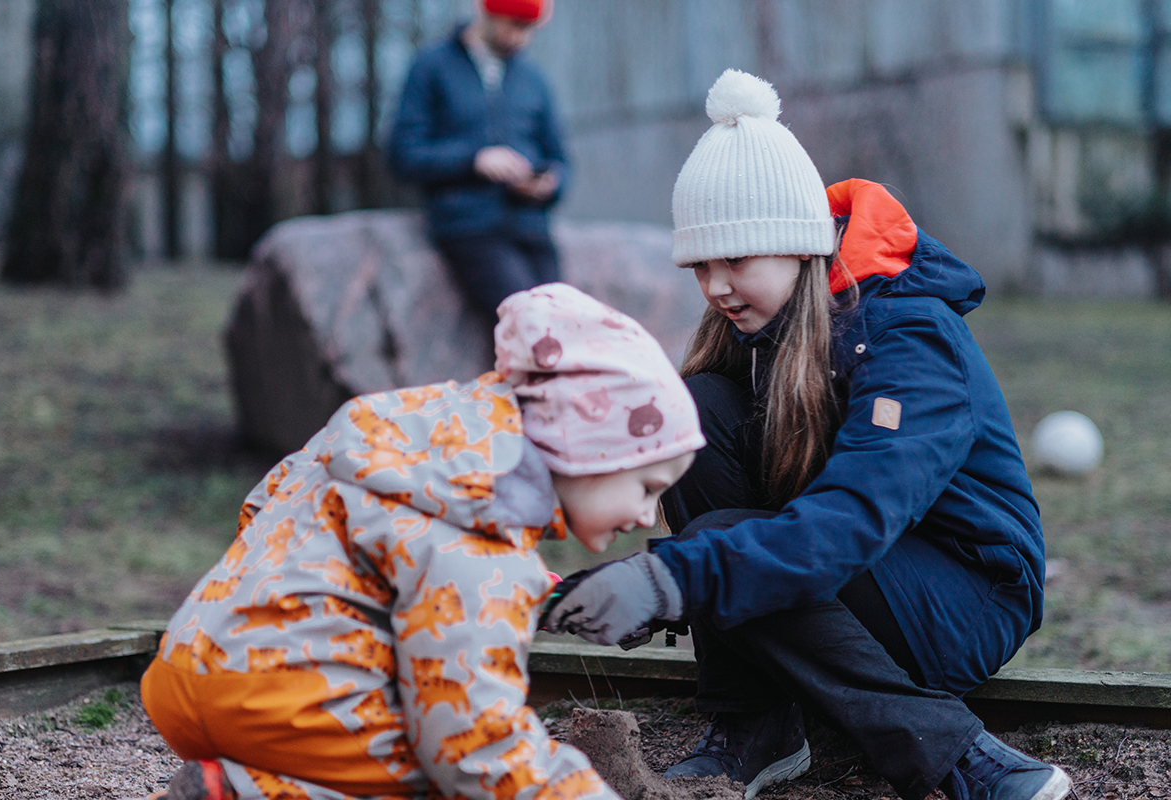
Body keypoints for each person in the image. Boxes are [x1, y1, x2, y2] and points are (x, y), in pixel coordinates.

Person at [542, 70, 1073, 800]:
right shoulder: (760, 327)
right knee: (696, 412)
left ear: (795, 245)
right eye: (700, 266)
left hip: (966, 594)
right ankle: (757, 723)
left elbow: (850, 521)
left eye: (736, 260)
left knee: (722, 544)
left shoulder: (909, 334)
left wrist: (671, 582)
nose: (716, 287)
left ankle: (960, 758)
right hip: (853, 568)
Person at [138, 282, 704, 800]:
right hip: (285, 704)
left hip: (190, 667)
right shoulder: (483, 534)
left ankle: (236, 783)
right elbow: (476, 741)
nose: (645, 516)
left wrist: (533, 595)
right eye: (646, 486)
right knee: (440, 765)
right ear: (585, 445)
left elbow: (267, 508)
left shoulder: (406, 445)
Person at [387, 0, 568, 323]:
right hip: (470, 228)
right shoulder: (432, 67)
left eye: (529, 29)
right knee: (529, 322)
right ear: (486, 11)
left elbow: (560, 159)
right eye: (515, 24)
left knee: (564, 322)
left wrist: (548, 184)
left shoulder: (533, 78)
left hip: (532, 229)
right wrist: (474, 160)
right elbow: (403, 155)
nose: (521, 38)